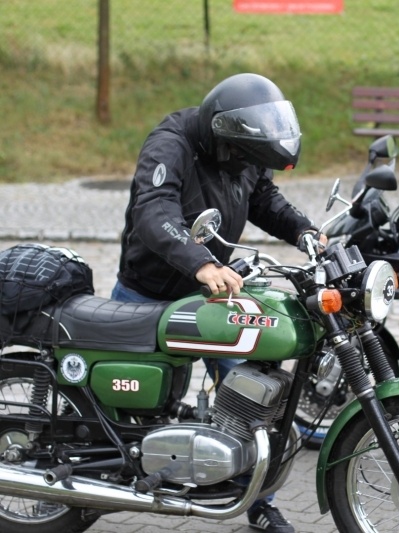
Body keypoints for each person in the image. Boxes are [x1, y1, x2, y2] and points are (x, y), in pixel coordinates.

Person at [111, 72, 319, 533]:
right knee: (120, 403)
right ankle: (94, 481)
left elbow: (264, 198)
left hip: (212, 298)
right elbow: (154, 209)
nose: (246, 163)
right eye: (243, 155)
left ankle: (261, 502)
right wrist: (202, 262)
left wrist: (305, 230)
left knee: (255, 394)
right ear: (224, 133)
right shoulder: (171, 143)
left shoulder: (243, 151)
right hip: (148, 292)